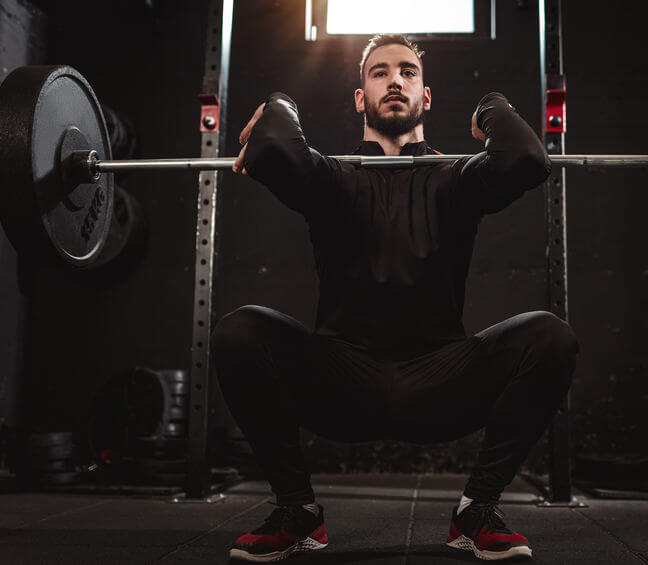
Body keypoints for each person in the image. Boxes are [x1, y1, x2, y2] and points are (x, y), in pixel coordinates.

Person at [212, 33, 579, 562]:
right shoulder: (331, 178)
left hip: (439, 380)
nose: (395, 81)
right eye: (379, 72)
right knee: (239, 331)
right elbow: (271, 147)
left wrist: (491, 106)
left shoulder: (455, 180)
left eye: (408, 72)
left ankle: (476, 509)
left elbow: (526, 158)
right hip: (342, 381)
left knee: (551, 337)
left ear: (425, 97)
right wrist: (280, 103)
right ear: (360, 98)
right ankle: (298, 512)